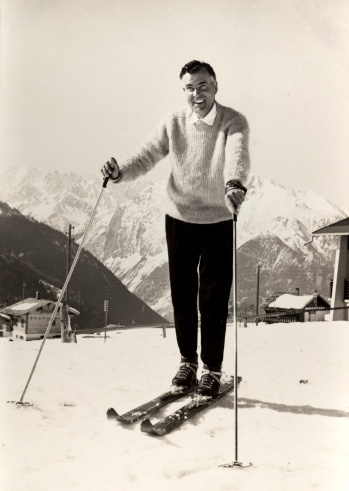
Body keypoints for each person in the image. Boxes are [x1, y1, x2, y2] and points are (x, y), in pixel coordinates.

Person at [101, 60, 250, 397]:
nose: (196, 94)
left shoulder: (233, 122)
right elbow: (147, 155)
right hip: (179, 218)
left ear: (215, 85)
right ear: (184, 90)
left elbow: (237, 155)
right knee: (182, 295)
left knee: (212, 300)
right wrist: (119, 172)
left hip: (218, 219)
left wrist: (234, 184)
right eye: (189, 88)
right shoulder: (174, 122)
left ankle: (212, 368)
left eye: (202, 85)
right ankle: (187, 363)